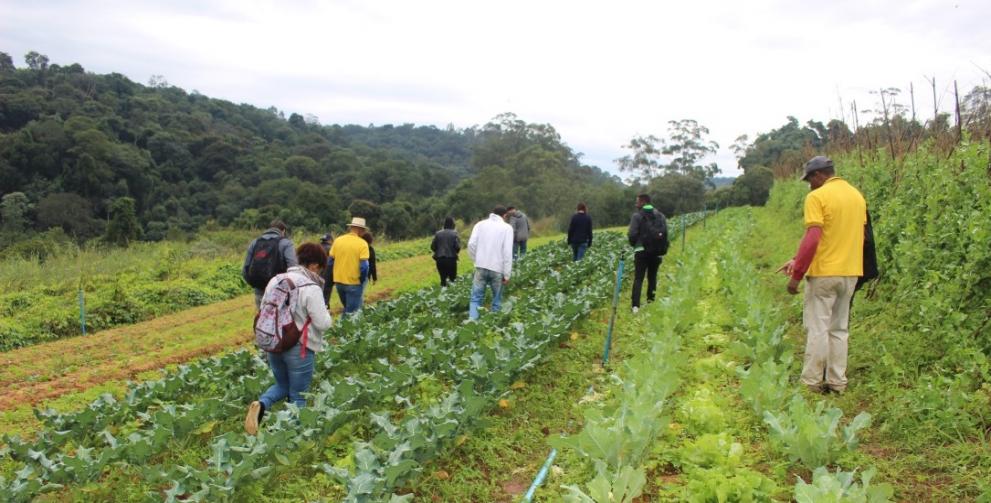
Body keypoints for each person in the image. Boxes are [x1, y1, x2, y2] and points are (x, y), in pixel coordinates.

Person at [777, 156, 866, 394]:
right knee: (839, 329)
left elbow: (814, 237)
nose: (809, 185)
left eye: (809, 179)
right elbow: (854, 236)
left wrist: (797, 274)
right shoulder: (856, 196)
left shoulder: (817, 197)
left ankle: (812, 381)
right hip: (851, 272)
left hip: (825, 273)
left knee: (818, 327)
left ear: (819, 176)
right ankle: (837, 382)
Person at [245, 242, 332, 435]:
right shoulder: (311, 287)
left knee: (282, 384)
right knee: (298, 396)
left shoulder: (276, 280)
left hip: (274, 343)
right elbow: (323, 323)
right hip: (299, 347)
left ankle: (261, 404)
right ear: (315, 265)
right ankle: (293, 436)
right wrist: (327, 312)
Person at [467, 206, 514, 320]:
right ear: (504, 216)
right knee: (496, 299)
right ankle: (493, 324)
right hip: (497, 269)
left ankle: (472, 324)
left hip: (480, 266)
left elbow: (471, 245)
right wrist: (507, 274)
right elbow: (507, 252)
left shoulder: (480, 225)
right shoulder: (507, 228)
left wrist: (476, 259)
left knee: (476, 298)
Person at [242, 219, 298, 309]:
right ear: (283, 231)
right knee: (280, 321)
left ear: (270, 228)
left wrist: (255, 284)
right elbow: (293, 268)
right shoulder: (286, 243)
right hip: (280, 291)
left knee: (262, 320)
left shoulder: (255, 243)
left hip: (259, 290)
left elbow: (245, 270)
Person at [627, 194, 668, 314]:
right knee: (652, 277)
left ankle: (635, 307)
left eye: (637, 202)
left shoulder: (637, 216)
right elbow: (665, 234)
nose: (636, 204)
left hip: (641, 251)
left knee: (638, 278)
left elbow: (632, 234)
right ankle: (651, 302)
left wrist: (636, 244)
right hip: (657, 251)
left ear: (643, 202)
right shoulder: (661, 216)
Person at [328, 218, 371, 318]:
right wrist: (361, 280)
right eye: (363, 230)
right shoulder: (362, 244)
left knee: (348, 307)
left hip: (339, 282)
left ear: (351, 227)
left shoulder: (338, 240)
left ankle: (346, 330)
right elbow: (364, 267)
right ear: (360, 230)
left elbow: (330, 262)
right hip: (353, 283)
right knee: (351, 313)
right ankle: (340, 331)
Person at [431, 217, 461, 287]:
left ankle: (443, 294)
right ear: (452, 224)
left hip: (440, 260)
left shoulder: (438, 234)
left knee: (443, 280)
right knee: (452, 280)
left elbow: (432, 247)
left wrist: (438, 251)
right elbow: (457, 247)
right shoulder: (454, 234)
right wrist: (454, 252)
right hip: (451, 260)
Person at [360, 231, 378, 296]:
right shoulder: (370, 249)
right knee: (360, 293)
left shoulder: (358, 248)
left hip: (353, 274)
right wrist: (374, 278)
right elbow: (373, 264)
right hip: (365, 274)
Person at [319, 233, 334, 305]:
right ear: (330, 240)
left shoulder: (317, 247)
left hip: (315, 274)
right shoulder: (331, 248)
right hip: (326, 274)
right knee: (326, 294)